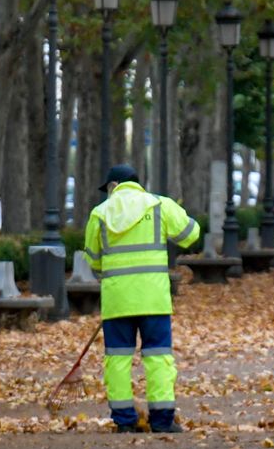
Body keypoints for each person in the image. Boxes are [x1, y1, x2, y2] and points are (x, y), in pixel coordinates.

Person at [84, 164, 202, 433]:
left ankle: (124, 421)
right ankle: (162, 420)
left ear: (114, 186)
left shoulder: (100, 214)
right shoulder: (159, 205)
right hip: (154, 298)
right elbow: (190, 234)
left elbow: (92, 260)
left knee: (117, 359)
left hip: (117, 300)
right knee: (158, 357)